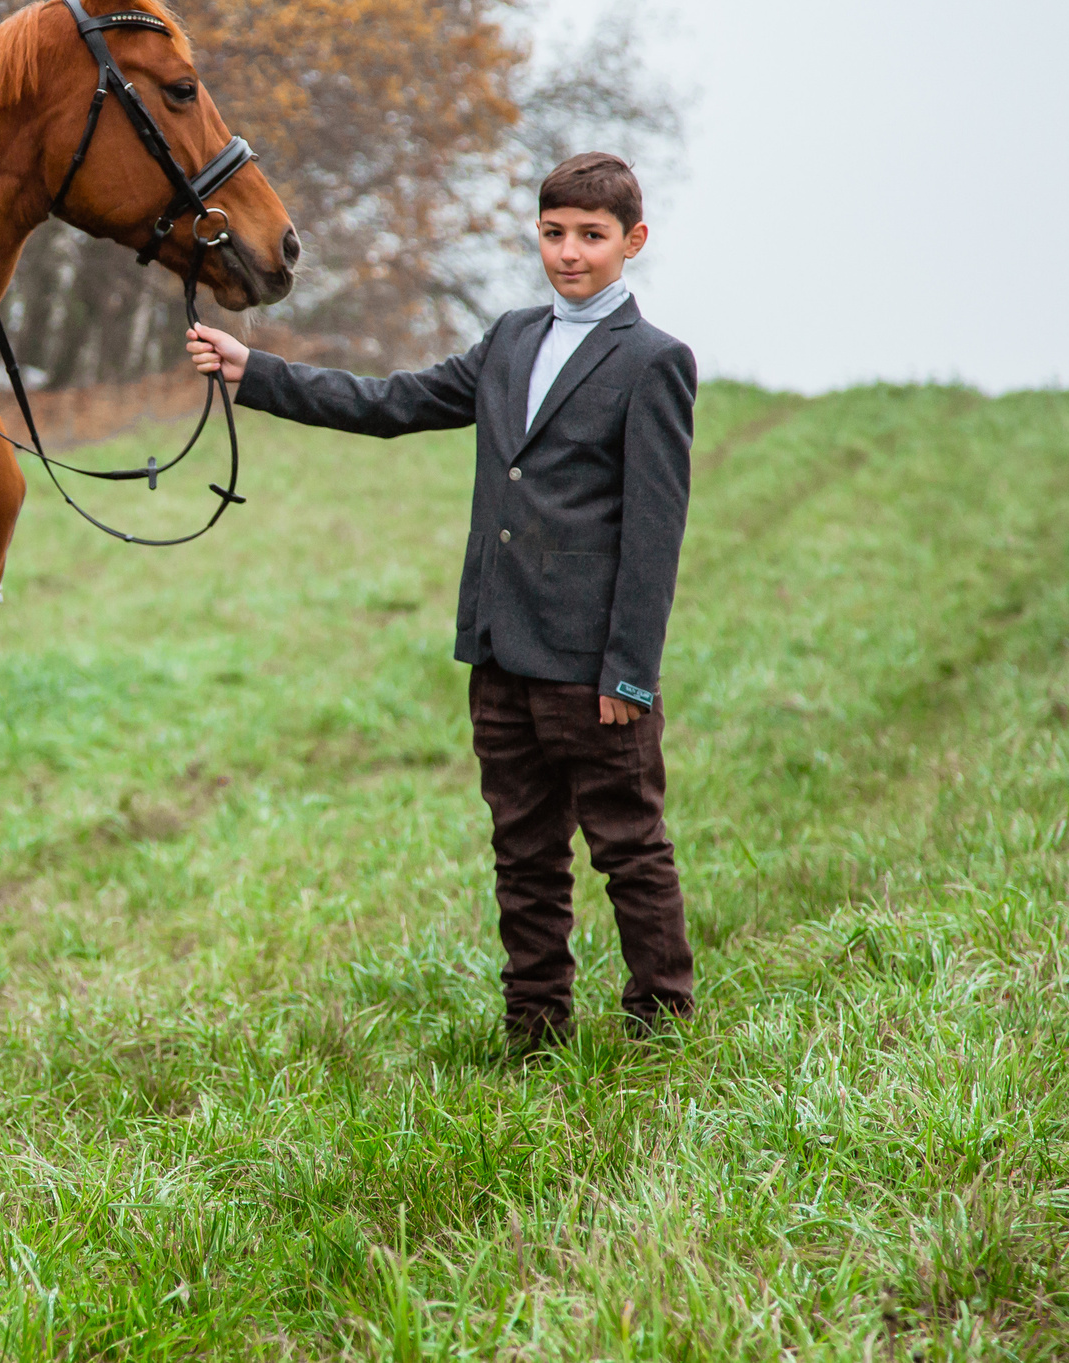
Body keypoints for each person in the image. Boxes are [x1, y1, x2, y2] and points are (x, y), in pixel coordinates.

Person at [187, 152, 697, 1052]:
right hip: (500, 656)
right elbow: (391, 402)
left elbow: (654, 534)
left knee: (629, 848)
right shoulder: (509, 339)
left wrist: (631, 671)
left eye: (591, 236)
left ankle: (663, 1023)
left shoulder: (653, 362)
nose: (569, 253)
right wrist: (252, 370)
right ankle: (534, 1032)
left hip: (592, 672)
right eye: (554, 233)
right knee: (524, 856)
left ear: (633, 242)